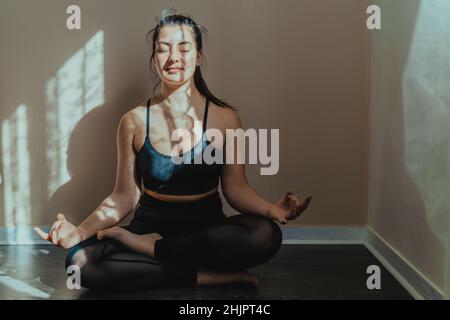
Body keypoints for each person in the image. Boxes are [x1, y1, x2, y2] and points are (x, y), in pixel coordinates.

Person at [35, 10, 312, 291]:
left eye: (184, 47)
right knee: (79, 263)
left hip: (205, 231)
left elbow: (236, 188)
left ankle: (157, 251)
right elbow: (124, 196)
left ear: (199, 56)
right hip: (149, 226)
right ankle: (201, 275)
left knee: (265, 235)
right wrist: (78, 232)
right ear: (154, 59)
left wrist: (271, 209)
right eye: (163, 49)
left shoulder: (225, 118)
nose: (173, 58)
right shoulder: (132, 121)